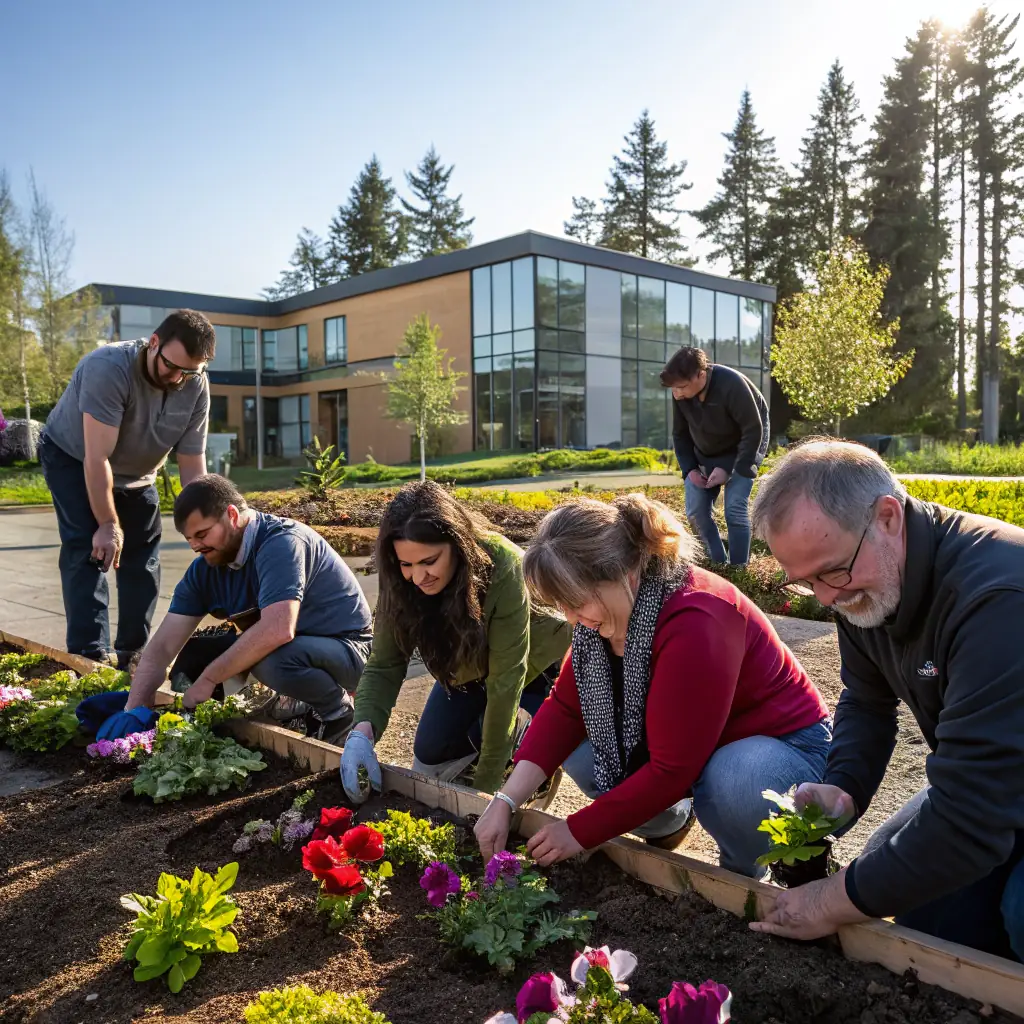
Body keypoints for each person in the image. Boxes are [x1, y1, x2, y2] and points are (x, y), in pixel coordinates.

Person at [747, 440, 1024, 961]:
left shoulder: (998, 602)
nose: (827, 597)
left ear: (888, 517)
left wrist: (829, 901)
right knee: (918, 904)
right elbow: (866, 700)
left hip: (998, 792)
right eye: (806, 582)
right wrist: (844, 786)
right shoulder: (864, 588)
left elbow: (968, 821)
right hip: (1001, 784)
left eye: (831, 572)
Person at [473, 493, 831, 876]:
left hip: (781, 750)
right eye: (563, 605)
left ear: (623, 574)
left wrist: (577, 832)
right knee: (584, 747)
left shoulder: (697, 619)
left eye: (577, 602)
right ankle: (668, 823)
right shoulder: (603, 624)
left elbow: (671, 770)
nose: (572, 619)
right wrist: (505, 800)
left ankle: (742, 876)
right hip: (693, 747)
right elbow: (565, 708)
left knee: (731, 779)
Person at [89, 475, 372, 745]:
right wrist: (134, 709)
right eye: (189, 538)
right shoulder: (205, 569)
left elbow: (278, 628)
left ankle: (339, 714)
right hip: (303, 649)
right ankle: (301, 701)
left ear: (233, 516)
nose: (195, 546)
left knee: (267, 660)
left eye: (202, 534)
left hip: (349, 650)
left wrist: (210, 678)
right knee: (199, 655)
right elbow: (163, 646)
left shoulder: (281, 543)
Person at [340, 480, 570, 802]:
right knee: (430, 760)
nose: (419, 577)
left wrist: (485, 795)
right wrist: (361, 733)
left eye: (429, 562)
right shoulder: (400, 577)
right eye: (407, 564)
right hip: (471, 664)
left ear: (458, 544)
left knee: (492, 734)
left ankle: (531, 763)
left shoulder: (501, 565)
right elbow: (385, 663)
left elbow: (506, 681)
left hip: (531, 664)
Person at [39, 310, 215, 667]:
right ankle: (90, 655)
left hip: (139, 471)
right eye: (171, 365)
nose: (177, 377)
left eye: (189, 371)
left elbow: (192, 465)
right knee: (89, 547)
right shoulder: (108, 368)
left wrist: (206, 524)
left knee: (144, 556)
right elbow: (97, 457)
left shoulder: (195, 383)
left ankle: (133, 652)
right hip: (75, 456)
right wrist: (106, 523)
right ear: (154, 343)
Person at [661, 346, 769, 567]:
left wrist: (729, 469)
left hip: (744, 450)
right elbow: (680, 435)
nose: (677, 393)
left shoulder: (732, 384)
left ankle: (739, 569)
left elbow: (752, 430)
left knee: (735, 510)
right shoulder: (680, 392)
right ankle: (717, 564)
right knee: (696, 513)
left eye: (681, 387)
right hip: (704, 453)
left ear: (701, 374)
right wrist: (690, 469)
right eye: (673, 388)